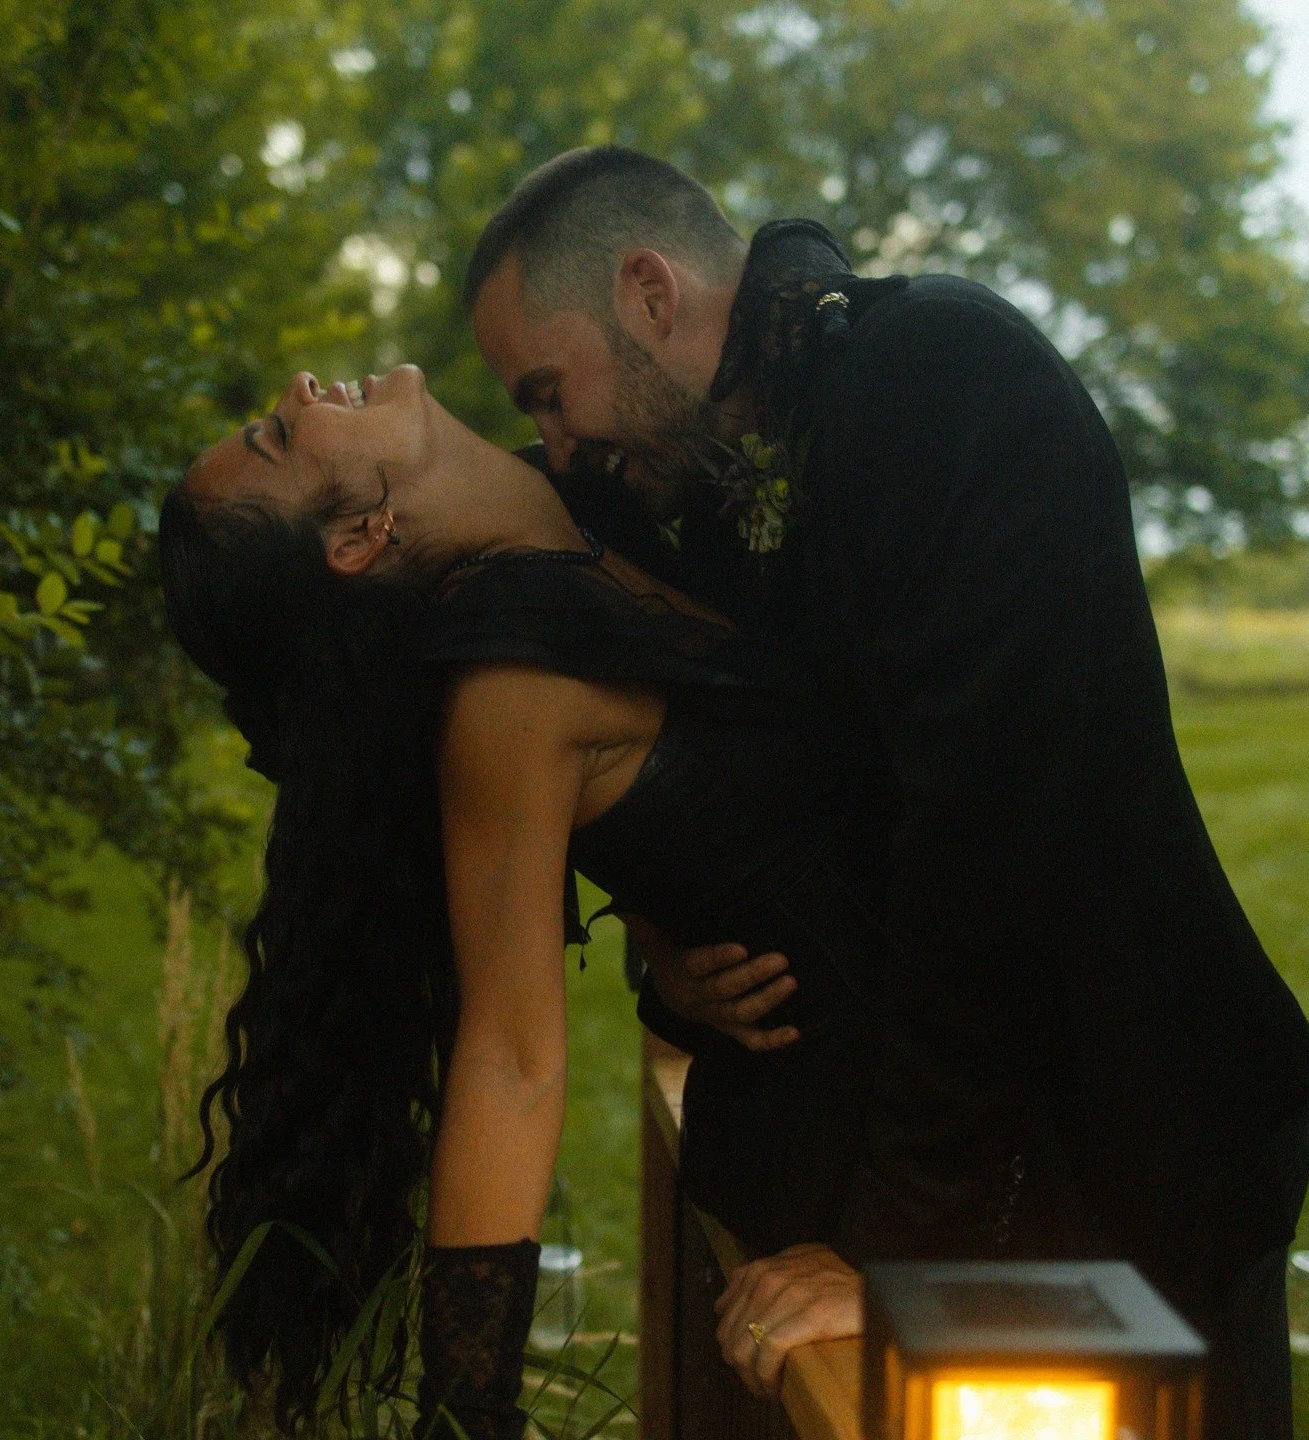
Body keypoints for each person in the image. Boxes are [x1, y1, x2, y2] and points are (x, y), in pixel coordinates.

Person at [465, 145, 1309, 1439]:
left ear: (647, 290)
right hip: (938, 1154)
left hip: (1119, 1166)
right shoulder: (724, 470)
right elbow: (784, 800)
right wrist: (671, 952)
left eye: (547, 388)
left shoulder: (940, 381)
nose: (555, 441)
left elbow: (989, 843)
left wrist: (901, 1253)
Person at [160, 364, 874, 1437]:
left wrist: (658, 930)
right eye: (276, 434)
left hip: (953, 1058)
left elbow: (692, 782)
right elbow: (512, 1057)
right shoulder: (512, 695)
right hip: (880, 1144)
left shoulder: (577, 498)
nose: (302, 390)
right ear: (356, 535)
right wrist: (467, 1409)